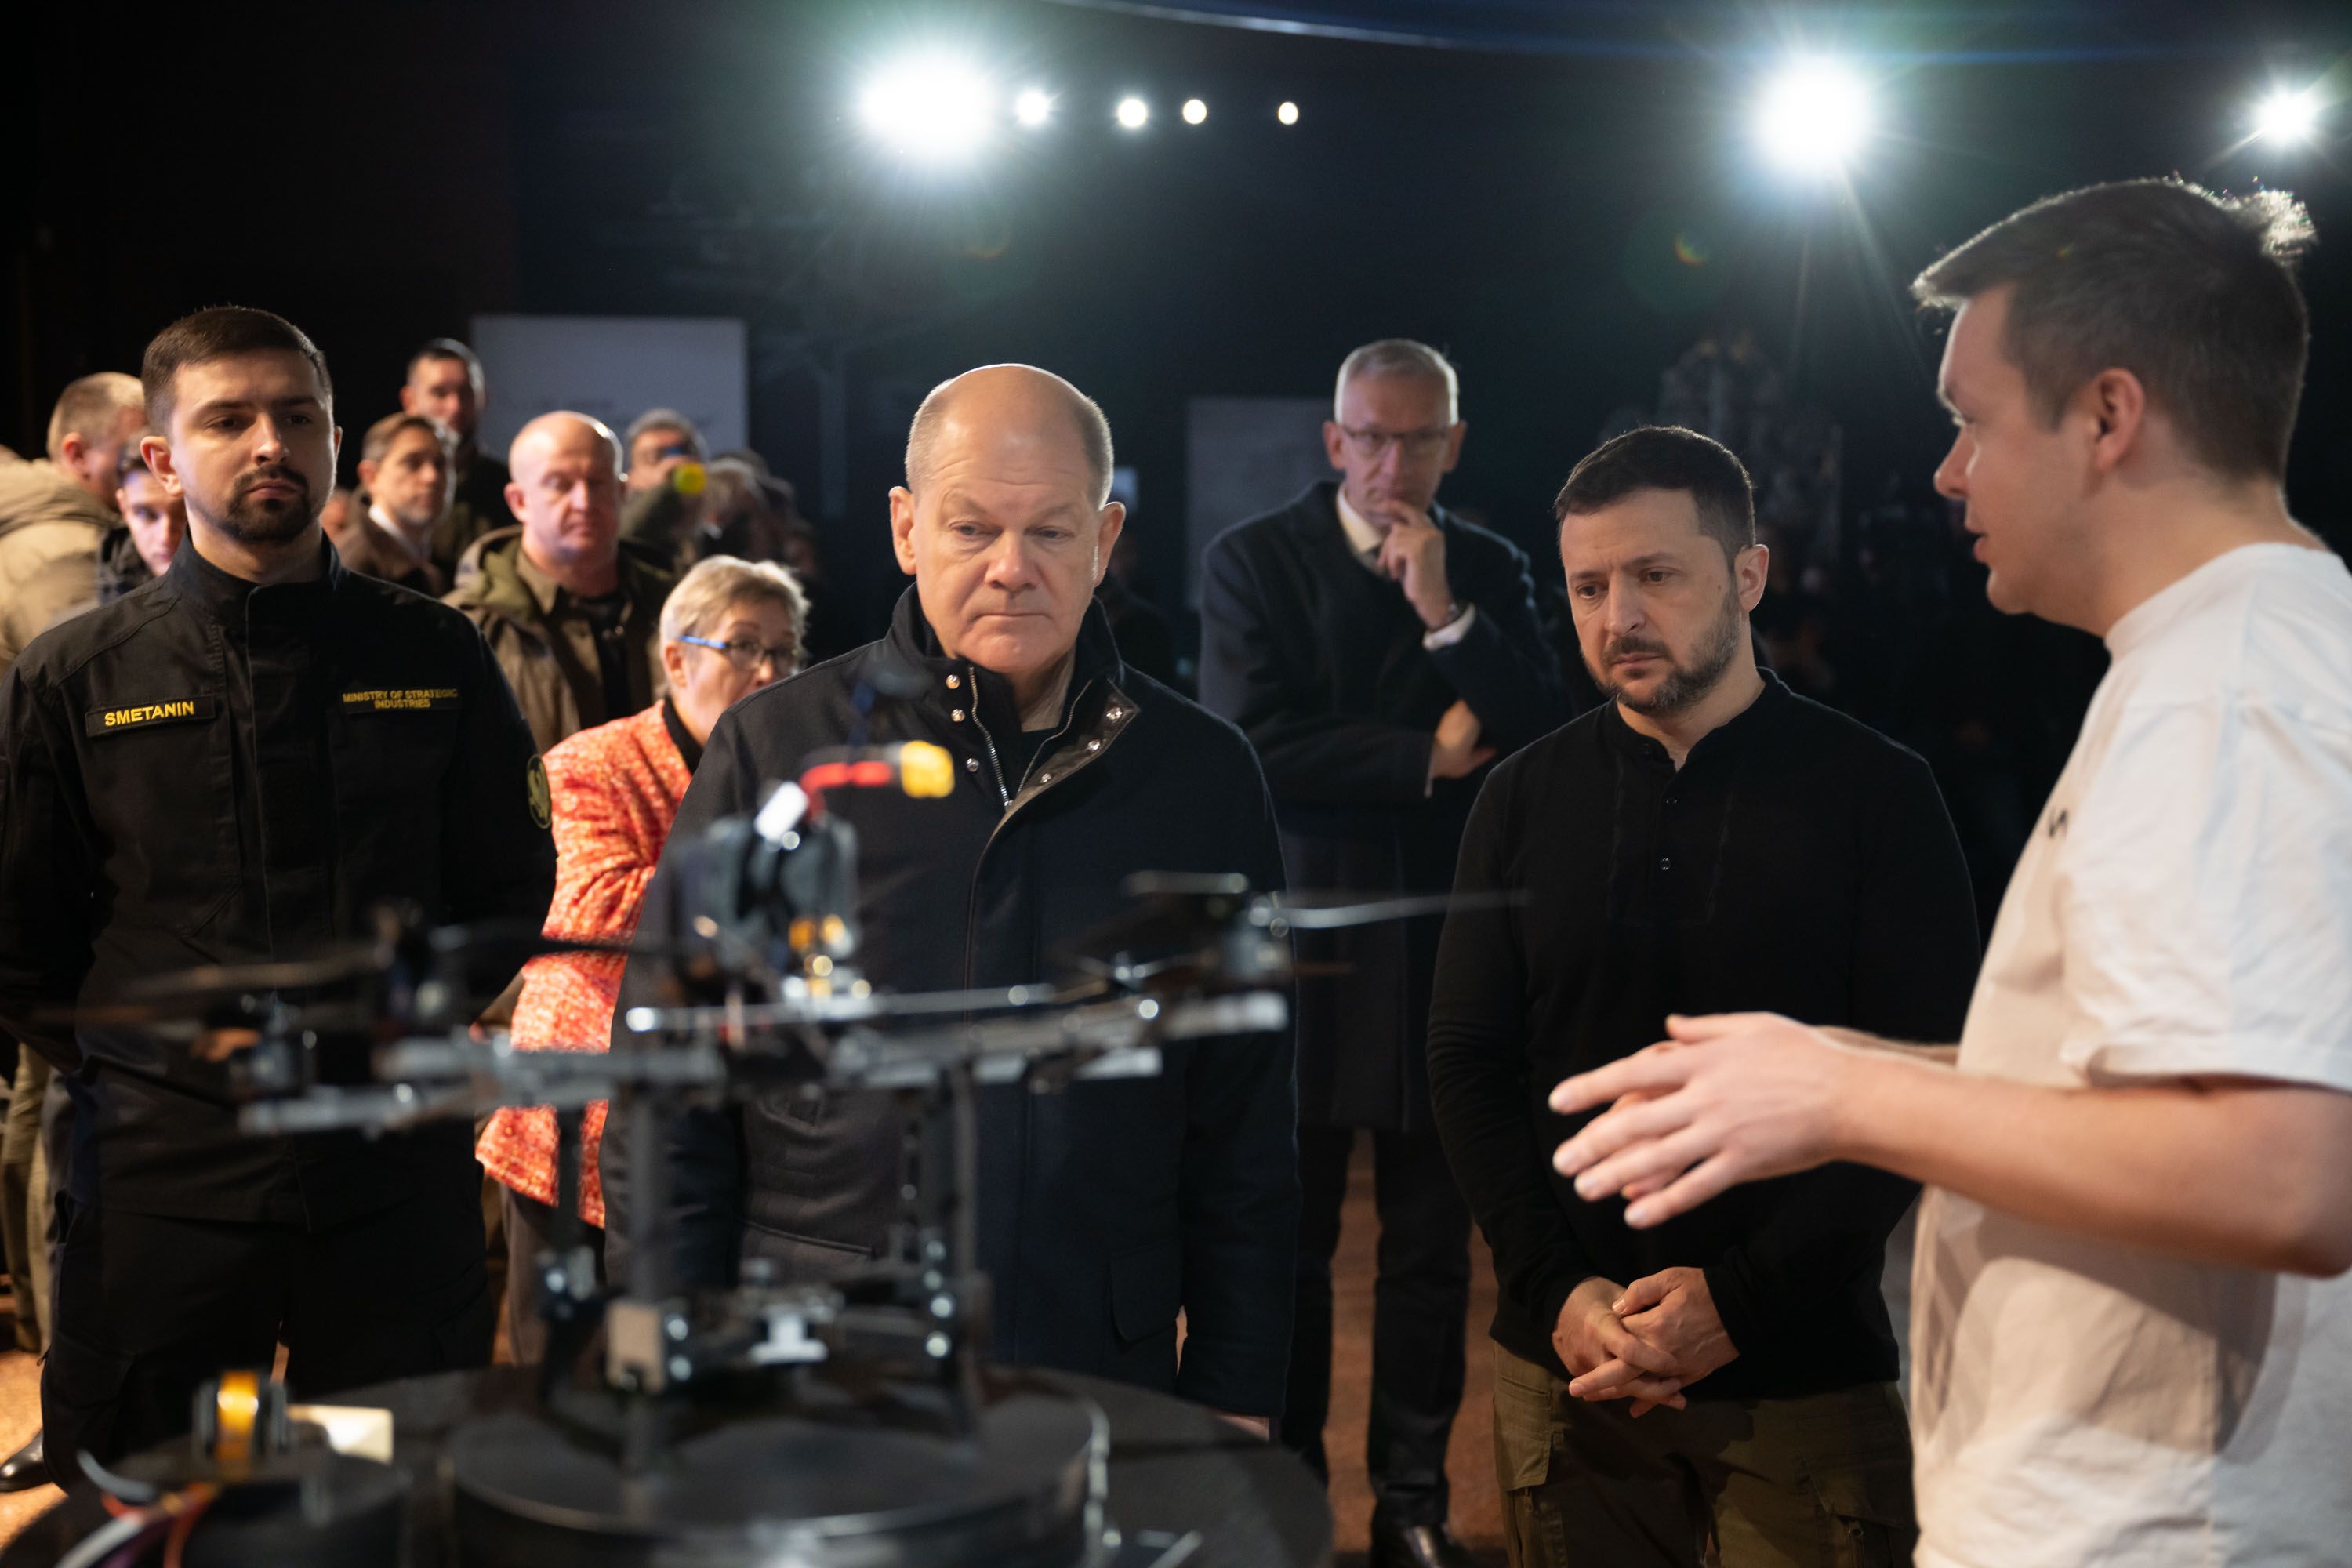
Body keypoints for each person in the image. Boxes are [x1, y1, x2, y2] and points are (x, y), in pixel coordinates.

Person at [1548, 179, 2352, 1568]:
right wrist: (1856, 1066)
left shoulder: (2224, 690)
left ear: (2108, 416)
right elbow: (2151, 1089)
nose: (1948, 474)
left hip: (2154, 1527)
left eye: (1975, 421)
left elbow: (2285, 1175)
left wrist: (1848, 1098)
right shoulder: (2238, 655)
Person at [604, 364, 1298, 1432]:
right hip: (813, 1374)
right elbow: (668, 1091)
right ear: (906, 527)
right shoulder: (774, 752)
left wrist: (1239, 1391)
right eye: (972, 528)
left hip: (1096, 1366)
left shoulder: (1203, 776)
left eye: (1052, 532)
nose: (1012, 568)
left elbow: (1244, 1122)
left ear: (1106, 538)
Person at [0, 306, 556, 1483]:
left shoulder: (435, 653)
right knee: (153, 1505)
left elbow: (508, 880)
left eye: (298, 417)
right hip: (165, 1185)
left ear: (334, 440)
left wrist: (401, 1027)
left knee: (394, 1496)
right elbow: (20, 934)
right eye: (229, 420)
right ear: (161, 458)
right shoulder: (75, 676)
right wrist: (144, 1062)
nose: (270, 443)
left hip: (391, 1170)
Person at [1428, 426, 1978, 1566]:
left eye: (1656, 575)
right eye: (1588, 586)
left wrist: (1741, 1303)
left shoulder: (1880, 794)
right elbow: (1468, 1062)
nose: (1618, 616)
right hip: (1566, 1365)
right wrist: (1560, 1289)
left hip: (1805, 1373)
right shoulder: (1518, 799)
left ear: (1749, 574)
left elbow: (1921, 1085)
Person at [1199, 338, 1566, 1568]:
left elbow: (1544, 730)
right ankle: (1294, 1498)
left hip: (1455, 943)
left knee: (1430, 1254)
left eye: (1416, 440)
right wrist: (1427, 756)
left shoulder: (1492, 568)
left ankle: (1414, 1506)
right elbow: (1251, 740)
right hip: (1306, 947)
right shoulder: (1253, 559)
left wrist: (1446, 617)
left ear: (1453, 445)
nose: (1390, 464)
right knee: (1291, 1254)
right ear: (1334, 439)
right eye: (1370, 437)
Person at [476, 555, 805, 1363]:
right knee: (567, 1378)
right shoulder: (591, 764)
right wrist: (770, 887)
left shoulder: (790, 774)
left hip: (722, 1135)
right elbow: (591, 910)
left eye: (784, 650)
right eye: (744, 646)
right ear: (676, 659)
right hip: (579, 1123)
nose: (769, 672)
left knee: (682, 1379)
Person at [445, 412, 675, 753]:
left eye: (598, 482)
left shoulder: (676, 610)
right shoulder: (466, 628)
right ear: (519, 502)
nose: (584, 503)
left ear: (622, 492)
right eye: (560, 485)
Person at [0, 372, 145, 672]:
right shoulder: (65, 553)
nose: (155, 461)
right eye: (134, 448)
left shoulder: (38, 522)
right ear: (77, 454)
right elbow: (92, 679)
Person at [399, 338, 510, 580]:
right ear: (410, 401)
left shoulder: (511, 490)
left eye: (466, 393)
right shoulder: (383, 491)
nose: (455, 406)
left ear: (484, 397)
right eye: (439, 393)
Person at [332, 412, 455, 593]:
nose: (432, 477)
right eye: (413, 463)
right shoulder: (351, 568)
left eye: (440, 463)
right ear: (371, 477)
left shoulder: (440, 564)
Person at [96, 439, 189, 601]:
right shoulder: (103, 609)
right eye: (146, 514)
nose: (165, 537)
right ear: (123, 507)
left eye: (184, 512)